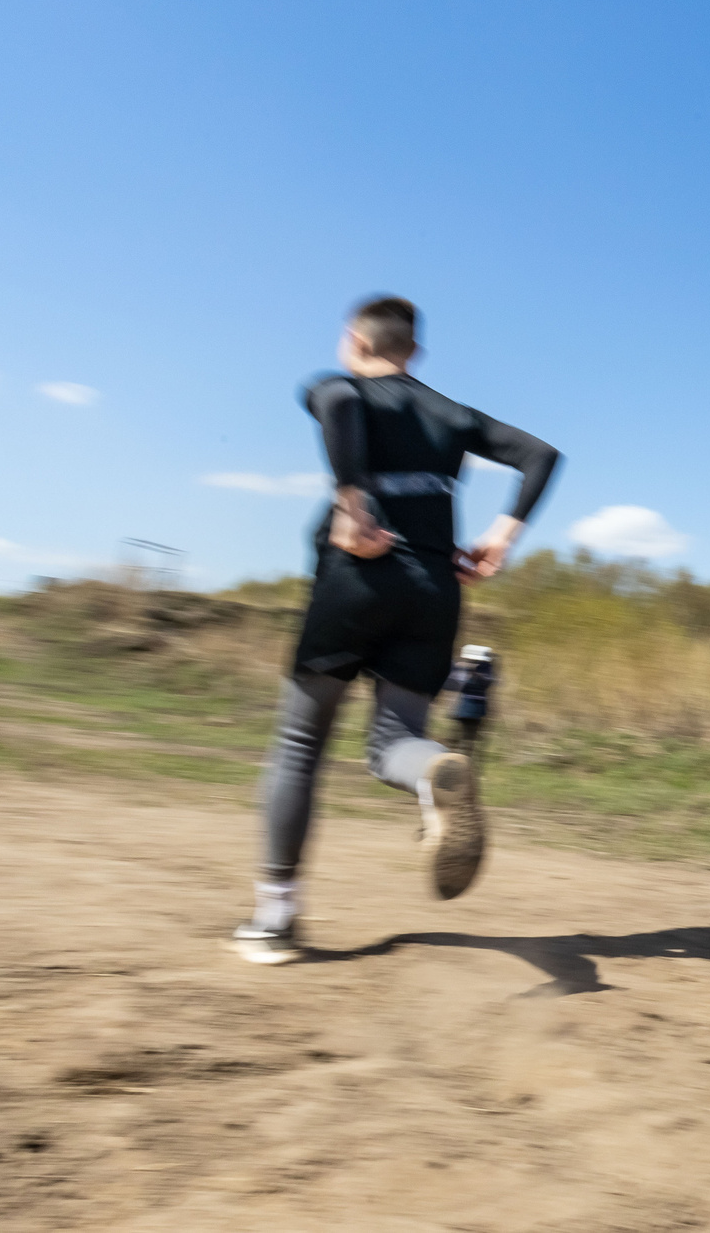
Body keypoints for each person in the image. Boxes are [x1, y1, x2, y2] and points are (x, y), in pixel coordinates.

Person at [233, 296, 560, 965]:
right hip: (435, 588)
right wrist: (502, 535)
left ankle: (276, 918)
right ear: (414, 351)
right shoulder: (453, 413)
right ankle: (434, 769)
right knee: (395, 741)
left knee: (300, 742)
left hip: (357, 575)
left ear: (356, 339)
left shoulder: (339, 385)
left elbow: (339, 408)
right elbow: (540, 454)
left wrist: (352, 502)